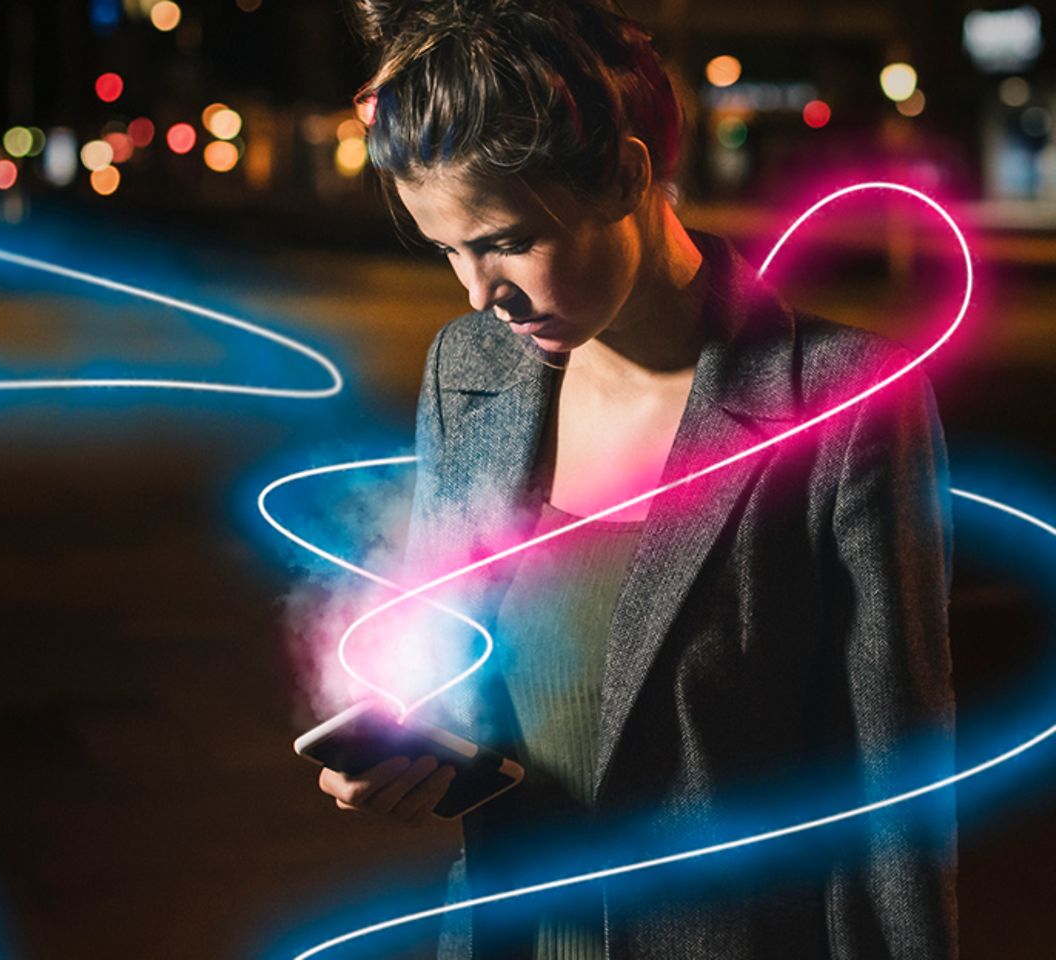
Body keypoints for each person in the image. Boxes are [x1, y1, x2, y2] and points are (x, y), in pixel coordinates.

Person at [313, 1, 958, 958]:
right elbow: (447, 665)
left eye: (505, 240)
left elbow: (895, 800)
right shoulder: (468, 371)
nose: (479, 293)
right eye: (448, 249)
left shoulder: (844, 407)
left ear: (624, 174)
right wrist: (403, 751)